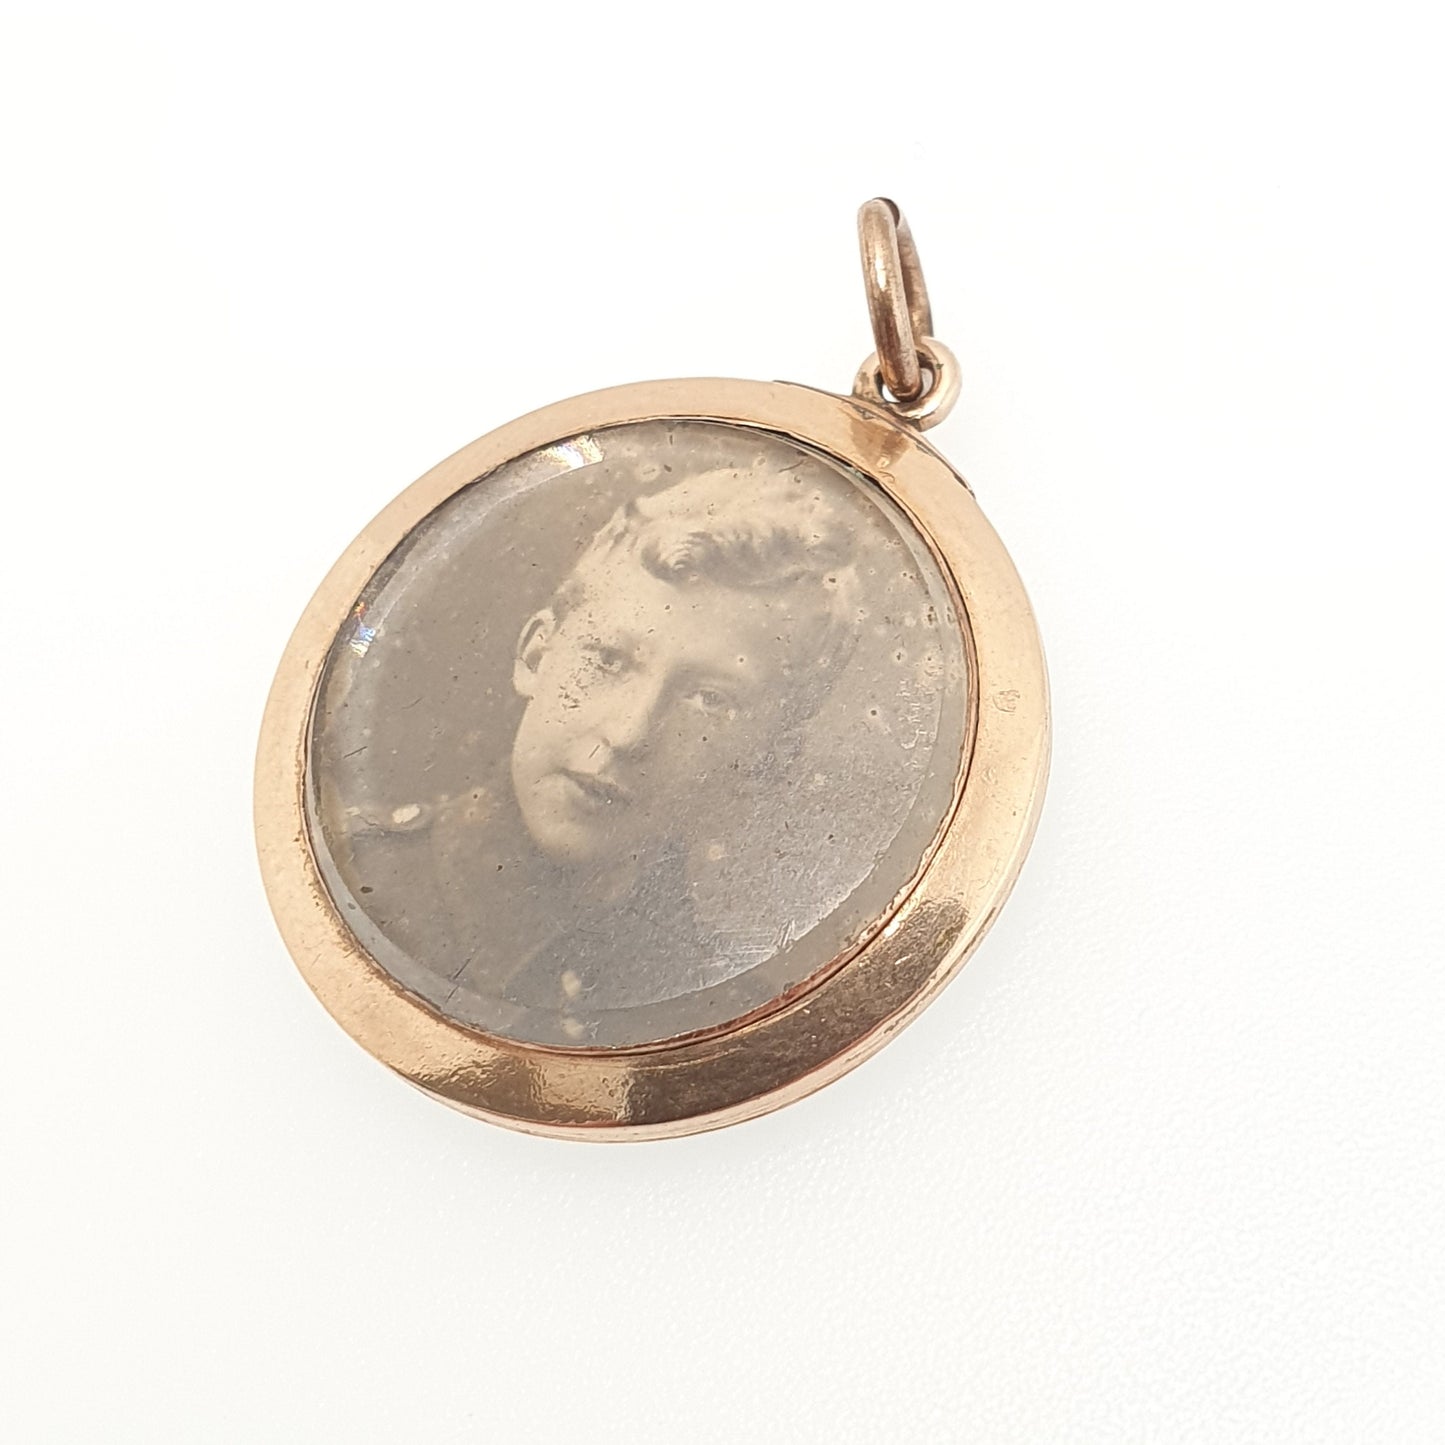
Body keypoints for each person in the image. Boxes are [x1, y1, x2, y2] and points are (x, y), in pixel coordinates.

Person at [330, 463, 862, 1045]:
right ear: (537, 656)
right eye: (608, 660)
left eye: (710, 700)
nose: (630, 734)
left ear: (767, 757)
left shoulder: (731, 1012)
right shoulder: (360, 875)